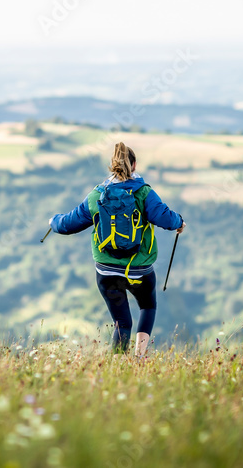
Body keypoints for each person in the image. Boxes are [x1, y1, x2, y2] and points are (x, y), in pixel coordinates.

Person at [48, 142, 184, 356]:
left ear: (112, 167)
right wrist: (180, 222)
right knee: (148, 307)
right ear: (134, 165)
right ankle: (139, 358)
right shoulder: (144, 193)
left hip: (107, 272)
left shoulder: (96, 196)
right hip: (140, 270)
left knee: (122, 322)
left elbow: (66, 225)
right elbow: (166, 217)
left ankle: (117, 365)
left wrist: (52, 220)